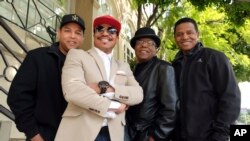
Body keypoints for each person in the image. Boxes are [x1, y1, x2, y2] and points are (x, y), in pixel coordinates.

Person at [54, 15, 143, 141]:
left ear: (117, 37)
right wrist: (115, 105)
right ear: (94, 34)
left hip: (115, 133)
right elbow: (73, 91)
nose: (105, 33)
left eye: (111, 30)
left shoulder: (123, 66)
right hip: (81, 131)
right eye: (100, 29)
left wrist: (108, 89)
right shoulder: (77, 55)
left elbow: (138, 94)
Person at [7, 14, 85, 141]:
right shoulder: (37, 57)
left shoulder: (86, 63)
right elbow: (17, 98)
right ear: (58, 33)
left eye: (78, 32)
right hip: (44, 136)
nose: (72, 36)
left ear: (82, 38)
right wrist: (33, 133)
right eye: (67, 30)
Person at [172, 17, 241, 141]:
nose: (185, 37)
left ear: (197, 35)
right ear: (175, 38)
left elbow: (231, 97)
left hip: (210, 136)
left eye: (189, 33)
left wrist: (220, 134)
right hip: (180, 136)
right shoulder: (175, 64)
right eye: (179, 34)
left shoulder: (214, 58)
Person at [125, 27, 178, 141]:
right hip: (130, 132)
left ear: (156, 49)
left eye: (150, 43)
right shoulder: (133, 70)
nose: (144, 45)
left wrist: (156, 136)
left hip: (149, 134)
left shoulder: (164, 68)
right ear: (134, 47)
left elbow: (171, 108)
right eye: (140, 42)